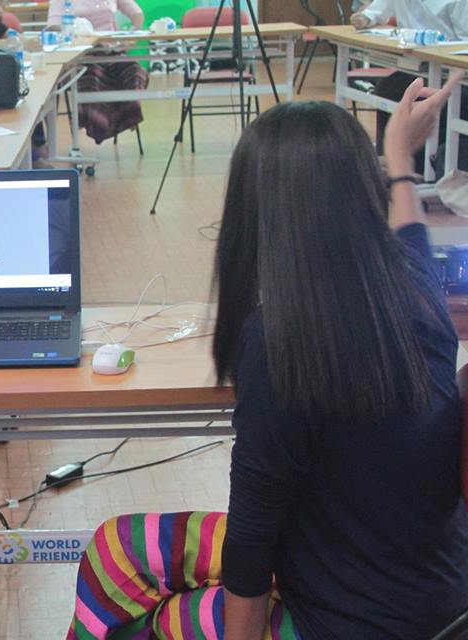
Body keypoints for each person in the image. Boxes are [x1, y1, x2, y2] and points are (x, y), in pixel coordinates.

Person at [66, 73, 468, 640]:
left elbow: (254, 539)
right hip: (438, 594)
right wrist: (399, 155)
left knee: (144, 602)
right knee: (116, 549)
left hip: (350, 621)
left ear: (255, 210)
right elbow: (411, 232)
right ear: (363, 192)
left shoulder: (281, 341)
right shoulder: (416, 286)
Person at [350, 0, 468, 174]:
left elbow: (465, 42)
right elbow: (373, 14)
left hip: (453, 74)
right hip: (416, 67)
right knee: (388, 89)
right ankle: (389, 163)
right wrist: (364, 18)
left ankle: (423, 169)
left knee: (440, 100)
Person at [45, 0, 147, 144]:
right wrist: (72, 31)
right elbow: (52, 27)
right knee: (91, 77)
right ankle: (98, 123)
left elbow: (137, 13)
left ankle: (126, 117)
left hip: (112, 51)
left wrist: (133, 36)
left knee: (134, 71)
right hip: (82, 56)